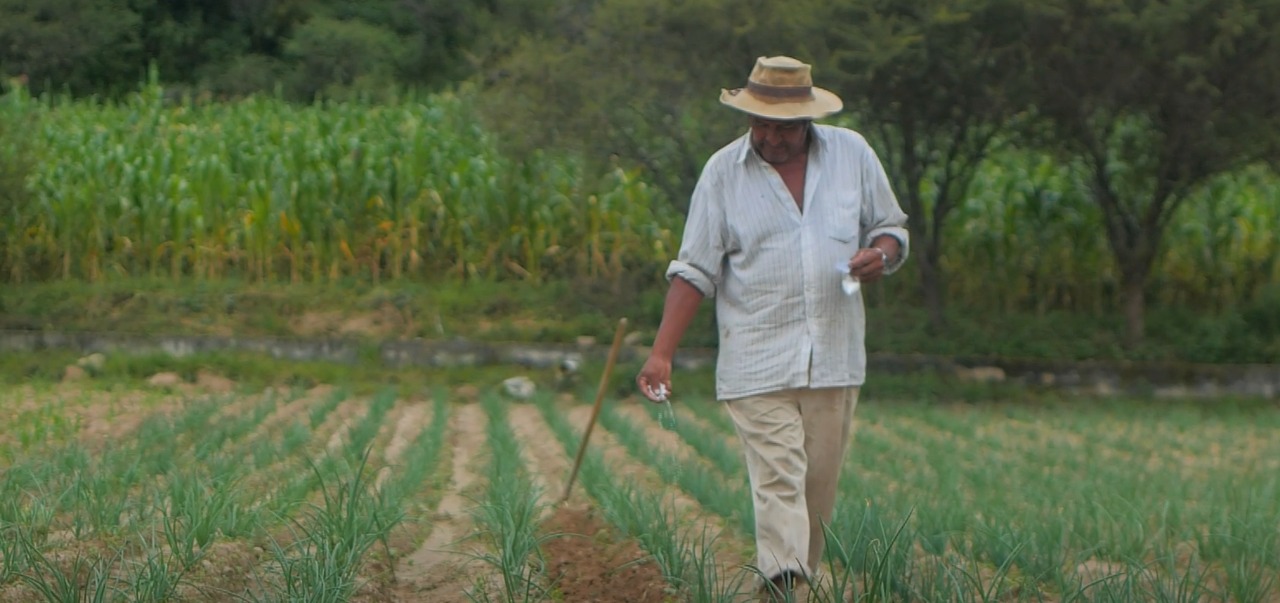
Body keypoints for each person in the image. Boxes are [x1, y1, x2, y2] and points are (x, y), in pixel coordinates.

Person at [635, 55, 910, 599]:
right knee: (779, 476)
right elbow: (694, 269)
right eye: (759, 123)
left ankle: (786, 587)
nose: (769, 136)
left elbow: (891, 228)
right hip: (755, 357)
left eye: (782, 127)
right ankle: (787, 583)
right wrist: (661, 353)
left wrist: (881, 253)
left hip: (834, 355)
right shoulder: (722, 173)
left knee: (815, 491)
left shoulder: (852, 154)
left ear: (807, 120)